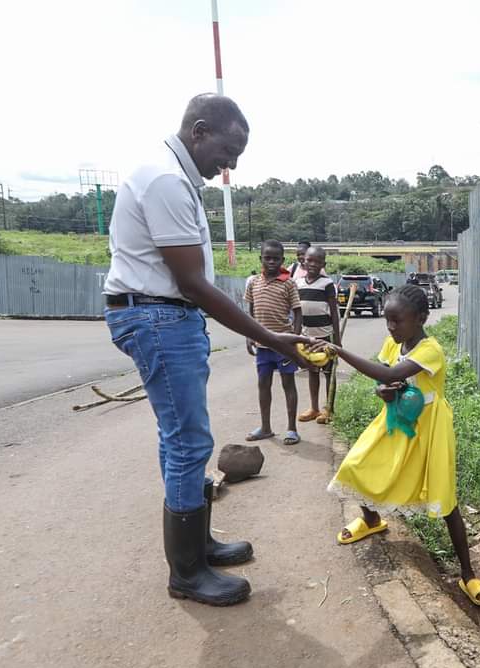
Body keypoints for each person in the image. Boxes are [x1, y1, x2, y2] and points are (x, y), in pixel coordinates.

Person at [103, 93, 311, 607]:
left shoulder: (174, 177)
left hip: (163, 314)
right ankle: (188, 572)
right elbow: (193, 283)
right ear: (199, 130)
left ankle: (199, 545)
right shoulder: (166, 181)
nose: (232, 164)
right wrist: (270, 335)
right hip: (157, 315)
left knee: (182, 438)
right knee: (188, 442)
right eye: (229, 148)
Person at [314, 284, 480, 606]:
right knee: (356, 466)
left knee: (444, 496)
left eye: (397, 321)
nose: (391, 328)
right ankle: (372, 521)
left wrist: (339, 351)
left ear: (421, 318)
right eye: (387, 321)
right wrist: (383, 391)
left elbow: (395, 371)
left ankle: (468, 574)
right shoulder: (392, 343)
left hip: (428, 427)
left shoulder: (430, 350)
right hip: (396, 419)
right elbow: (386, 379)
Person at [244, 240, 303, 445]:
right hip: (262, 346)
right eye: (267, 257)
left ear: (282, 260)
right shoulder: (253, 282)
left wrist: (295, 341)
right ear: (261, 259)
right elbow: (250, 313)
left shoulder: (288, 283)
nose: (271, 261)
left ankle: (292, 429)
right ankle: (266, 427)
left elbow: (297, 313)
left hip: (283, 345)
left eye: (276, 258)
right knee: (263, 385)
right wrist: (248, 335)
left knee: (288, 384)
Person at [296, 246, 341, 423]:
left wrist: (337, 339)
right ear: (303, 261)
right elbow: (296, 311)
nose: (313, 264)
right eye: (310, 260)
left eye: (317, 261)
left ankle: (329, 408)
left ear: (323, 264)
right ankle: (313, 408)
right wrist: (296, 334)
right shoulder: (297, 283)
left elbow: (334, 312)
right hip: (307, 337)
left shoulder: (327, 284)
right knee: (312, 371)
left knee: (329, 372)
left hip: (325, 336)